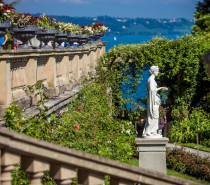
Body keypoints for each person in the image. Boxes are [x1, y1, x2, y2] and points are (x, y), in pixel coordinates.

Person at [143, 66, 168, 136]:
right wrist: (158, 90)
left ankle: (153, 131)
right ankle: (148, 131)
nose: (158, 72)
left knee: (156, 117)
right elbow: (152, 90)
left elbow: (154, 89)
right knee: (154, 116)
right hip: (153, 102)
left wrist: (160, 88)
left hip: (155, 102)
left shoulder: (152, 79)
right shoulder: (151, 79)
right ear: (153, 71)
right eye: (157, 71)